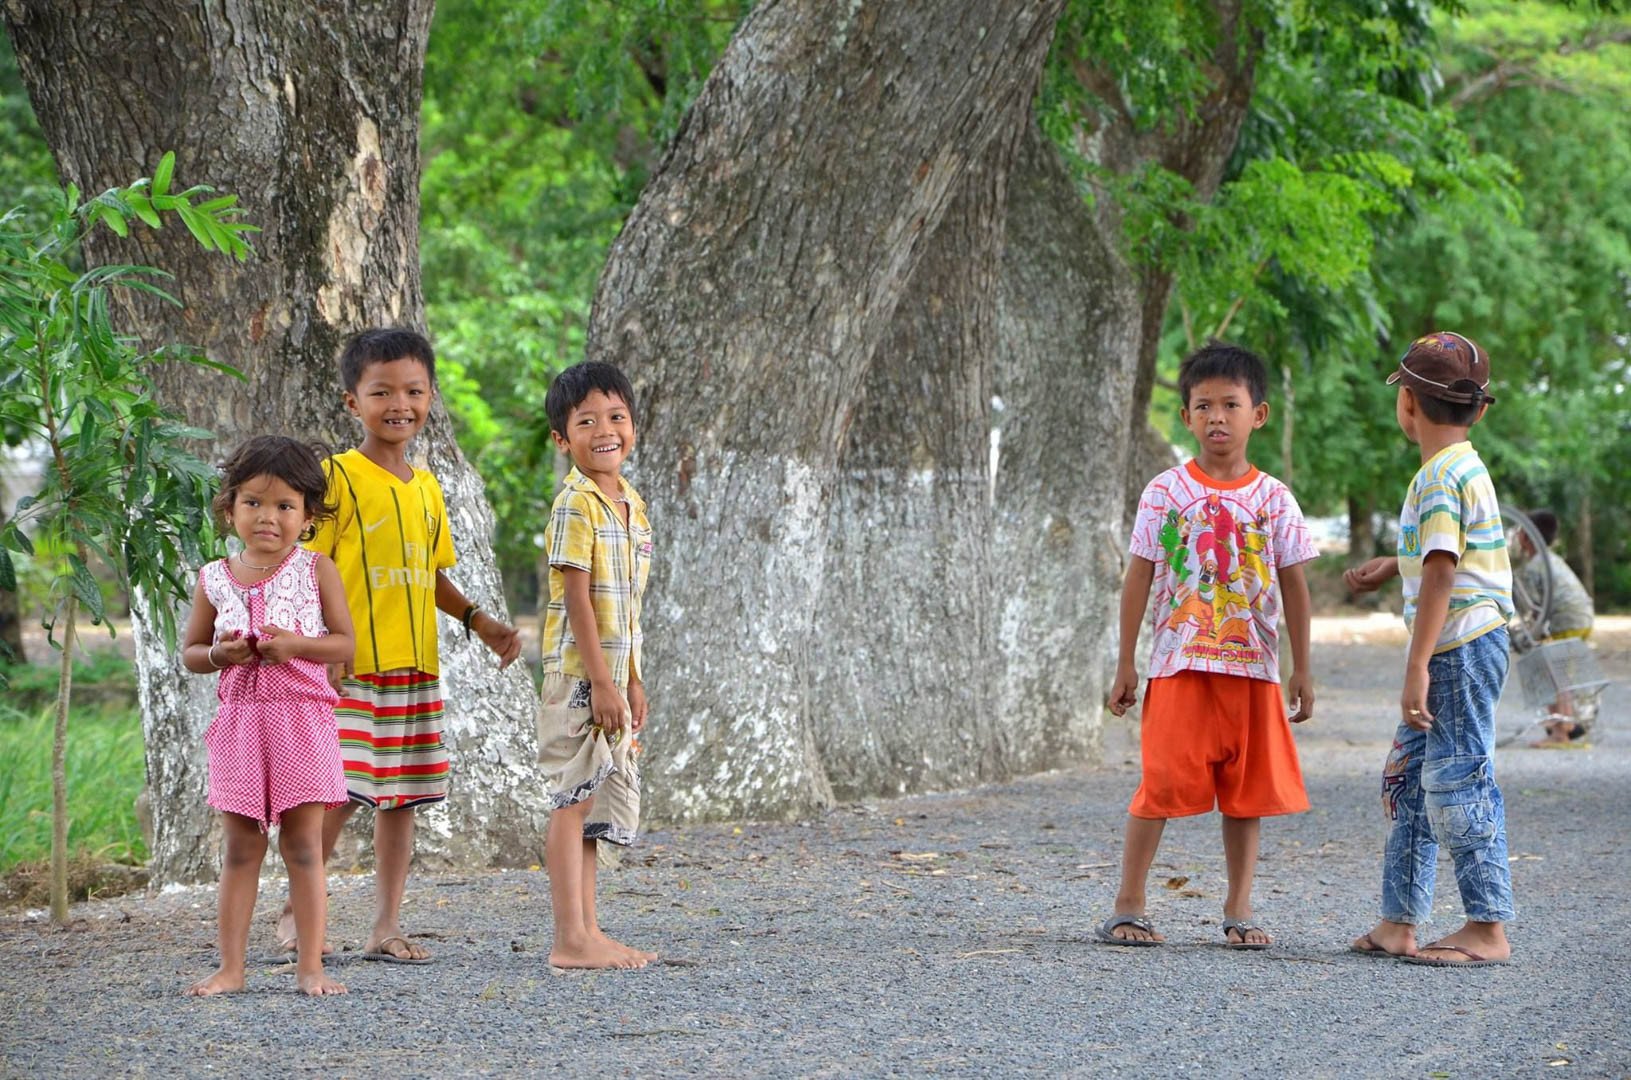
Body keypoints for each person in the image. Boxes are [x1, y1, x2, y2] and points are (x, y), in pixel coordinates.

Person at [276, 327, 522, 964]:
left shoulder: (428, 489)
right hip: (351, 666)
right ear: (352, 402)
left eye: (413, 391)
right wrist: (316, 653)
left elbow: (429, 575)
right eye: (381, 391)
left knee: (401, 800)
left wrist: (481, 621)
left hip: (415, 668)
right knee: (338, 793)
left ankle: (384, 925)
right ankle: (294, 912)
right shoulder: (336, 479)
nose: (399, 404)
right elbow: (305, 571)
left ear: (431, 397)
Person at [1101, 342, 1316, 949]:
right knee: (1160, 783)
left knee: (1244, 795)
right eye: (1203, 405)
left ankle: (1239, 908)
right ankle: (1128, 904)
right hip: (1178, 662)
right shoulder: (1166, 494)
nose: (1218, 416)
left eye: (1231, 404)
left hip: (1252, 667)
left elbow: (1295, 586)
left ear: (1259, 415)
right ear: (1188, 417)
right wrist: (1127, 662)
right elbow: (1141, 573)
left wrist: (1301, 668)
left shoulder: (1274, 501)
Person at [1346, 330, 1516, 966]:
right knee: (1408, 781)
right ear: (1477, 409)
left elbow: (1445, 570)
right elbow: (1446, 554)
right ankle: (1400, 919)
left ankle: (1487, 926)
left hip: (1459, 650)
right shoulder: (1458, 468)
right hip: (1461, 642)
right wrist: (1394, 565)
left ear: (1408, 404)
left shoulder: (1439, 477)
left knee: (1456, 778)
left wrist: (1417, 664)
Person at [181, 436, 355, 996]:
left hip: (302, 722)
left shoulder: (315, 569)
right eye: (254, 502)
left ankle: (310, 966)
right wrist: (218, 655)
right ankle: (231, 968)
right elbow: (190, 653)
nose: (269, 517)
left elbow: (345, 644)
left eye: (285, 505)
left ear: (307, 516)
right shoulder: (213, 577)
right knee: (240, 848)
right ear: (229, 507)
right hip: (239, 726)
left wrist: (298, 646)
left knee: (303, 846)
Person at [537, 360, 656, 969]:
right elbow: (577, 597)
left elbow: (628, 608)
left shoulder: (631, 503)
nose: (605, 430)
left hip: (613, 678)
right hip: (581, 679)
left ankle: (588, 930)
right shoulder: (575, 504)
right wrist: (604, 683)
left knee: (593, 807)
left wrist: (633, 680)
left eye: (617, 417)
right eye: (587, 421)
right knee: (570, 800)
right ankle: (569, 938)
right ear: (563, 439)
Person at [1515, 508, 1595, 746]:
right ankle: (1561, 722)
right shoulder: (1552, 560)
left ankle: (1562, 731)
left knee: (1555, 674)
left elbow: (1535, 609)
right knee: (1556, 671)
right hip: (1580, 616)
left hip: (1565, 620)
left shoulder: (1533, 567)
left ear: (1527, 537)